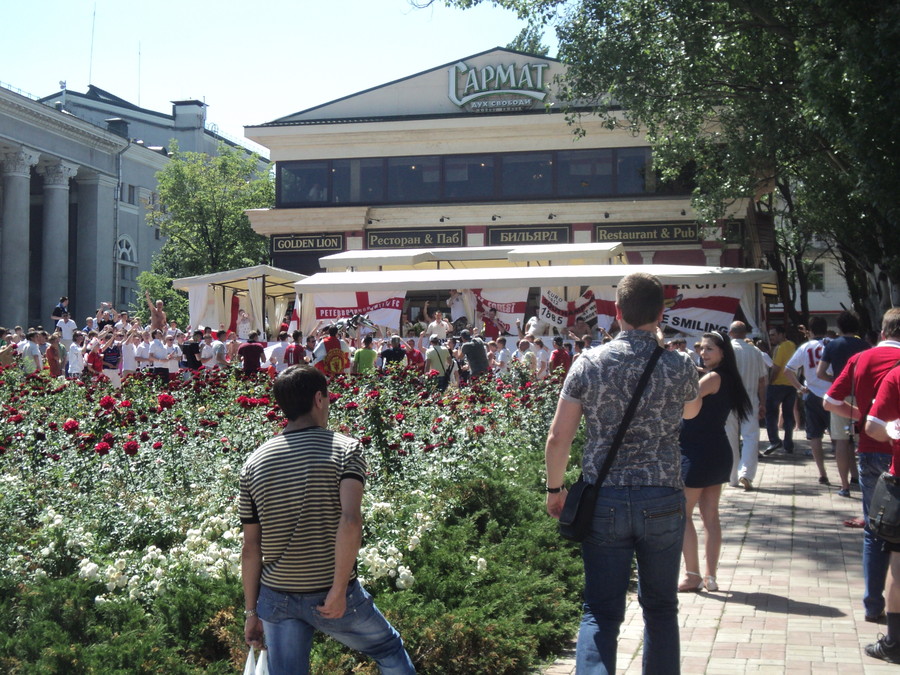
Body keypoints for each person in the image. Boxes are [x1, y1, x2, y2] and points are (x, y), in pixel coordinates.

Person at [544, 272, 701, 674]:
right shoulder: (679, 364)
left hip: (605, 498)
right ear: (661, 313)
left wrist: (555, 489)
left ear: (617, 312)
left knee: (600, 610)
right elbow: (691, 410)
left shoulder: (589, 362)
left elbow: (559, 437)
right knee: (662, 608)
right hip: (663, 496)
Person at [240, 366, 416, 674]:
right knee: (388, 649)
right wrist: (337, 591)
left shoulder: (254, 462)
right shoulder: (346, 450)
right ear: (319, 399)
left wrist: (252, 612)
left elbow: (251, 548)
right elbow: (349, 521)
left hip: (276, 596)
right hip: (330, 591)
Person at [824, 308, 900, 624]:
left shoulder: (861, 359)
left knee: (874, 529)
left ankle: (873, 603)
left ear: (881, 332)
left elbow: (829, 400)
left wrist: (865, 417)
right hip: (895, 451)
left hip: (870, 451)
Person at [678, 331, 752, 593]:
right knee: (710, 517)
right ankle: (710, 576)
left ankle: (693, 575)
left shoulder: (714, 377)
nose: (703, 353)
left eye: (709, 349)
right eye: (702, 348)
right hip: (717, 451)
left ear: (722, 353)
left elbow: (684, 399)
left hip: (698, 453)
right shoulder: (727, 376)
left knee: (682, 515)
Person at [863, 361, 900, 662]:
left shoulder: (897, 375)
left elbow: (874, 426)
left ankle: (895, 644)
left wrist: (893, 430)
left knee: (899, 566)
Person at [817, 311, 868, 494]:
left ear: (839, 327)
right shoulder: (865, 345)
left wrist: (836, 381)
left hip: (839, 397)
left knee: (840, 440)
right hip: (862, 396)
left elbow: (820, 373)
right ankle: (863, 480)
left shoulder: (832, 345)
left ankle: (844, 485)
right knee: (862, 440)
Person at [783, 316, 833, 485]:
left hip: (812, 394)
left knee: (815, 436)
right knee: (839, 437)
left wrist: (799, 387)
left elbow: (788, 370)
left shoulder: (805, 347)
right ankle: (846, 473)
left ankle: (822, 473)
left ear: (810, 331)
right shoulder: (832, 344)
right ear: (826, 328)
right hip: (833, 394)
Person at [725, 321, 768, 490]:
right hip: (750, 399)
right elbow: (762, 380)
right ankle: (747, 473)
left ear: (730, 332)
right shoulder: (755, 351)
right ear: (745, 333)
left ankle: (732, 477)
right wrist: (763, 403)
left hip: (730, 399)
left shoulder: (727, 350)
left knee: (731, 437)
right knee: (750, 437)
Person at [762, 325, 797, 454]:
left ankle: (774, 440)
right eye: (770, 335)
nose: (771, 337)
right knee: (788, 415)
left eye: (774, 335)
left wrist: (770, 382)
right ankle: (788, 443)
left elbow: (776, 368)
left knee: (771, 414)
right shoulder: (792, 345)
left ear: (782, 334)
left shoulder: (780, 348)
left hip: (777, 385)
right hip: (791, 385)